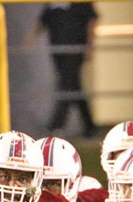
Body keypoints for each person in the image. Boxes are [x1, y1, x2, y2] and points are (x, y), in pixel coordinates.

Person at [28, 3, 99, 138]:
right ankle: (89, 126)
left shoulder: (82, 4)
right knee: (74, 87)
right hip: (58, 51)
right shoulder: (52, 4)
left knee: (67, 85)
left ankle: (55, 126)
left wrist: (90, 45)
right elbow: (43, 19)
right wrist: (31, 37)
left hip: (75, 49)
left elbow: (92, 19)